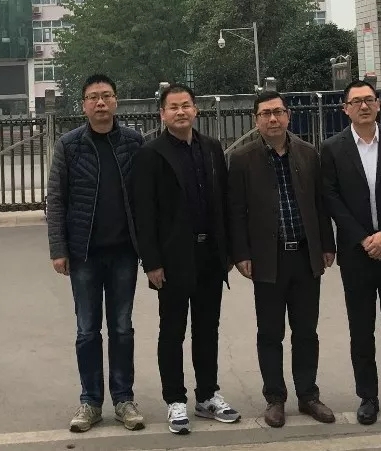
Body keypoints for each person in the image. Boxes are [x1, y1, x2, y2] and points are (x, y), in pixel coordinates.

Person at [132, 83, 240, 435]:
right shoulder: (151, 154)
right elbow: (144, 213)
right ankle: (175, 400)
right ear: (162, 114)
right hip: (173, 258)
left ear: (196, 110)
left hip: (210, 254)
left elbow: (224, 201)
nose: (181, 112)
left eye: (186, 105)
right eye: (173, 107)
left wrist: (227, 251)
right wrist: (151, 262)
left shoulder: (211, 148)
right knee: (172, 330)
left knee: (208, 329)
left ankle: (207, 395)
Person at [228, 90, 337, 428]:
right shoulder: (242, 159)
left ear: (288, 115)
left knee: (306, 331)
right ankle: (275, 398)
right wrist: (241, 253)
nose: (272, 119)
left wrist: (327, 244)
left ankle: (308, 395)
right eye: (265, 114)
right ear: (256, 120)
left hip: (305, 256)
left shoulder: (308, 153)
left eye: (278, 112)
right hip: (267, 259)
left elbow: (320, 204)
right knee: (270, 332)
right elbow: (236, 212)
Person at [47, 73, 145, 433]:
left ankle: (123, 399)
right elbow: (56, 199)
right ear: (84, 105)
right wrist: (58, 248)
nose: (100, 102)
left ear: (116, 101)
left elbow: (144, 197)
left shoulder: (133, 142)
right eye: (93, 97)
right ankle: (90, 401)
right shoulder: (70, 144)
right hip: (84, 253)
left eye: (106, 96)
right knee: (87, 330)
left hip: (123, 253)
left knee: (122, 328)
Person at [320, 80, 381, 426]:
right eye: (356, 101)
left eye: (369, 100)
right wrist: (364, 239)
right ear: (345, 109)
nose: (363, 106)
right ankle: (368, 397)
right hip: (357, 253)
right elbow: (331, 198)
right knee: (361, 329)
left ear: (378, 104)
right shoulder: (332, 149)